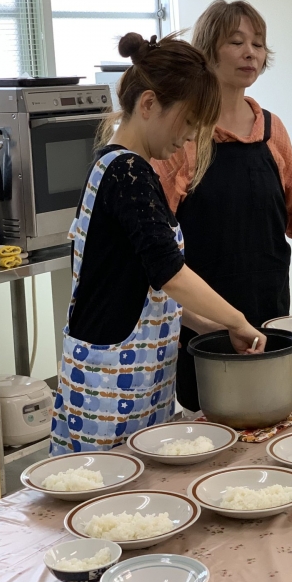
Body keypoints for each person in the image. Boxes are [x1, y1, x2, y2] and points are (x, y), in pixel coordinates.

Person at [50, 32, 266, 455]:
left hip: (128, 375)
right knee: (107, 498)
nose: (189, 138)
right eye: (187, 122)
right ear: (148, 104)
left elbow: (134, 280)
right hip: (110, 386)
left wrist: (206, 325)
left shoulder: (114, 165)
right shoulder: (128, 173)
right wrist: (237, 319)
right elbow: (169, 271)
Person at [154, 0, 292, 412]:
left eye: (258, 43)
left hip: (268, 297)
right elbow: (158, 240)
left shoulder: (271, 128)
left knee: (267, 408)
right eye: (236, 42)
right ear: (208, 51)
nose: (250, 52)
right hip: (204, 307)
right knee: (211, 413)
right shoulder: (184, 135)